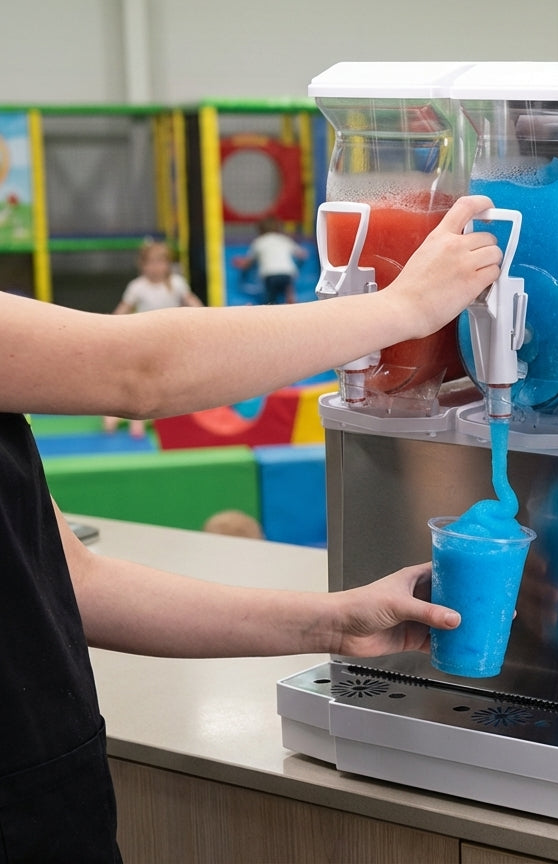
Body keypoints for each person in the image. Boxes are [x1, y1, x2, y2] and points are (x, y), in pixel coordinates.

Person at [0, 194, 500, 860]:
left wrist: (334, 623)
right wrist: (403, 308)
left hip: (46, 786)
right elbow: (138, 372)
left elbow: (69, 582)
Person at [104, 240, 204, 437]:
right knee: (142, 379)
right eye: (150, 263)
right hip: (145, 340)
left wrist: (206, 314)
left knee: (167, 380)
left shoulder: (176, 283)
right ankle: (122, 416)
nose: (155, 267)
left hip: (170, 340)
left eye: (160, 262)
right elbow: (124, 308)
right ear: (142, 265)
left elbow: (190, 300)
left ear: (168, 264)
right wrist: (108, 324)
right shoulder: (137, 287)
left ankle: (160, 415)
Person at [231, 217, 310, 305]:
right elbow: (302, 255)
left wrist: (240, 263)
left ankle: (272, 305)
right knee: (289, 293)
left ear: (260, 230)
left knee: (271, 300)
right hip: (287, 272)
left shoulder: (259, 242)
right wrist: (299, 265)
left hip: (269, 273)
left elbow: (248, 262)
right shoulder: (283, 239)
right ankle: (291, 301)